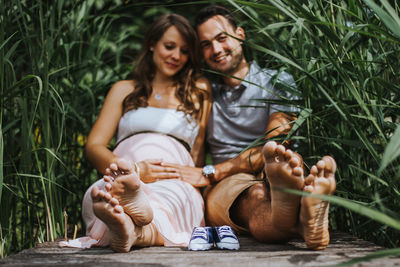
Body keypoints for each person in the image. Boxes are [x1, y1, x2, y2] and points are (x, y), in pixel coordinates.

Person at [156, 5, 337, 250]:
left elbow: (274, 144)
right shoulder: (204, 93)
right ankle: (303, 217)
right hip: (229, 184)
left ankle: (294, 207)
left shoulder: (277, 80)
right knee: (256, 196)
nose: (216, 50)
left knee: (278, 160)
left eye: (222, 38)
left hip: (265, 167)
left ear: (240, 34)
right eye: (206, 45)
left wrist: (212, 172)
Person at [60, 13, 212, 252]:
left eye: (184, 51)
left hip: (173, 180)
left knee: (173, 198)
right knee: (102, 191)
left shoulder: (199, 91)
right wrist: (135, 171)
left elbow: (197, 153)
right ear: (152, 44)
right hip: (125, 174)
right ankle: (131, 220)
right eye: (169, 46)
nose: (177, 56)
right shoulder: (123, 89)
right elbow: (94, 146)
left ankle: (128, 226)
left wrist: (194, 176)